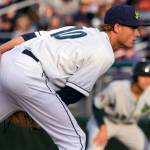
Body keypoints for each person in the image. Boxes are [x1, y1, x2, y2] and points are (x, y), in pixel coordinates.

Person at [0, 4, 148, 150]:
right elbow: (71, 93)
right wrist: (38, 114)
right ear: (117, 27)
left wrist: (1, 50)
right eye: (133, 28)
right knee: (75, 141)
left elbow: (31, 36)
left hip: (9, 60)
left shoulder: (83, 31)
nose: (138, 33)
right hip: (29, 75)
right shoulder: (104, 53)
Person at [87, 58, 150, 150]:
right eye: (144, 76)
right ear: (135, 76)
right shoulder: (117, 88)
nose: (147, 80)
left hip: (129, 125)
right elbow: (97, 105)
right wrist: (102, 127)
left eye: (149, 77)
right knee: (94, 147)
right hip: (106, 121)